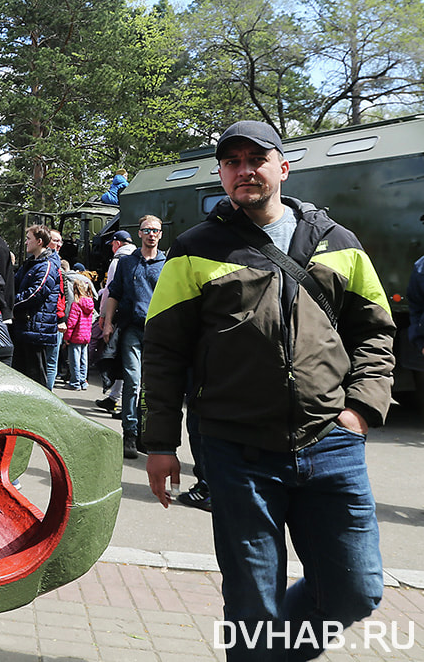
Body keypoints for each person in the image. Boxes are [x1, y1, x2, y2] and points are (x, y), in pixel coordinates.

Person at [142, 120, 396, 659]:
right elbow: (163, 352)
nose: (244, 170)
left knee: (356, 588)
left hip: (331, 446)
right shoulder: (194, 249)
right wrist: (160, 444)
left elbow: (374, 333)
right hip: (236, 451)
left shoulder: (339, 244)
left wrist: (361, 412)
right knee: (252, 608)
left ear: (283, 167)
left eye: (256, 159)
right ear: (220, 174)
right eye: (231, 162)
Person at [102, 215, 166, 459]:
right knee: (133, 380)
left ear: (160, 234)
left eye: (155, 230)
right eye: (147, 230)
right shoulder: (127, 263)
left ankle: (143, 434)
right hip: (131, 329)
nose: (151, 234)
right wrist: (108, 323)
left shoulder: (167, 263)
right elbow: (114, 293)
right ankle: (129, 432)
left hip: (158, 332)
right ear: (139, 233)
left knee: (151, 386)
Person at [12, 224, 62, 390]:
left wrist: (11, 303)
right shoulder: (32, 263)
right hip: (26, 327)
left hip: (35, 329)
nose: (26, 243)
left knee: (36, 378)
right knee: (22, 374)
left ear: (39, 242)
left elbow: (35, 294)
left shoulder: (47, 265)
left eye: (28, 239)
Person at [94, 229, 135, 416]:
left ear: (117, 243)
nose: (111, 247)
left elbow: (110, 292)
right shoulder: (138, 257)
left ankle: (124, 405)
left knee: (120, 360)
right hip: (135, 314)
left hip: (118, 314)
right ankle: (114, 398)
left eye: (112, 244)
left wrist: (104, 316)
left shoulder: (118, 261)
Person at [63, 276, 96, 391]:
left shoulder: (76, 304)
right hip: (86, 335)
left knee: (74, 360)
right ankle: (83, 381)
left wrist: (66, 337)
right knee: (84, 360)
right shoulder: (90, 303)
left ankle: (75, 382)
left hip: (76, 336)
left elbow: (71, 323)